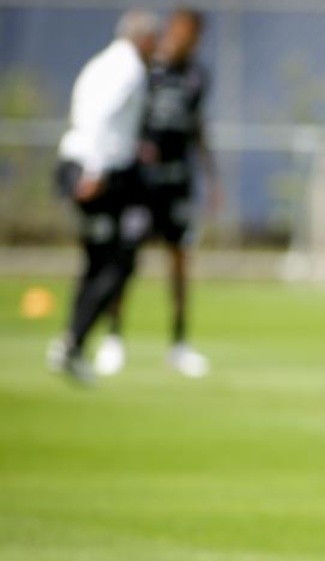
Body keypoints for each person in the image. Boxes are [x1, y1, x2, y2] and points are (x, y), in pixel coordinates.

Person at [91, 7, 218, 379]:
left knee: (179, 262)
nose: (187, 40)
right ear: (172, 30)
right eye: (183, 32)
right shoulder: (145, 69)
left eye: (194, 36)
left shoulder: (198, 76)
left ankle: (178, 344)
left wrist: (212, 179)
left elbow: (197, 129)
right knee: (125, 258)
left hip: (178, 182)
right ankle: (113, 339)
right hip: (141, 182)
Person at [49, 9, 160, 383]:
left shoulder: (102, 61)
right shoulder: (127, 68)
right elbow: (98, 116)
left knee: (98, 260)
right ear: (142, 38)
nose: (156, 48)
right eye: (154, 40)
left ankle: (73, 344)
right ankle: (72, 343)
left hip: (91, 165)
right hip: (96, 172)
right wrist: (94, 171)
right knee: (117, 262)